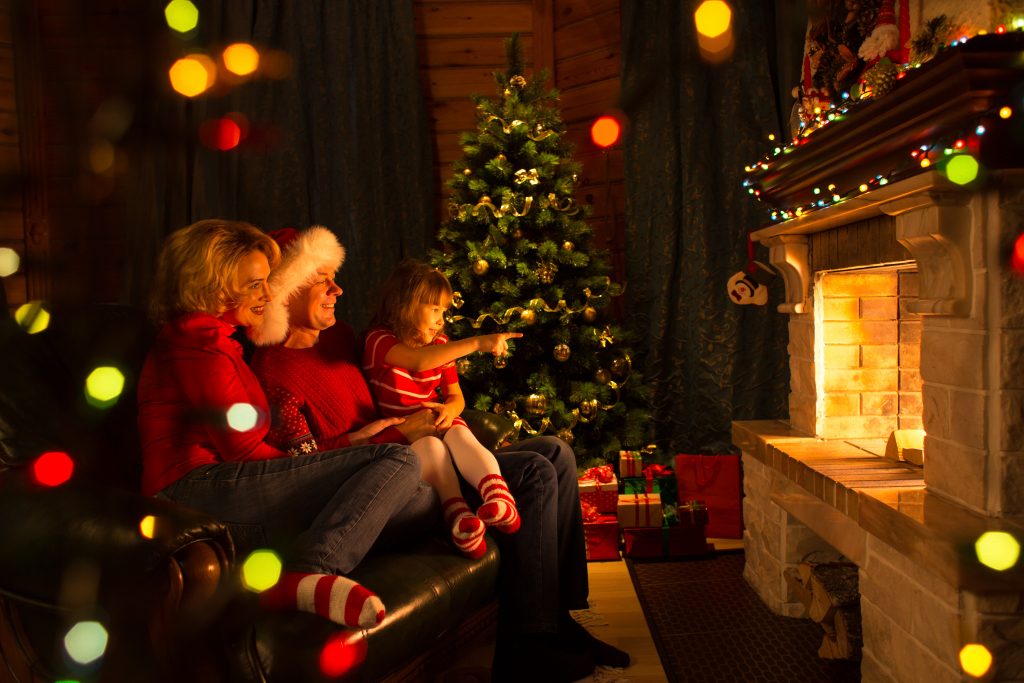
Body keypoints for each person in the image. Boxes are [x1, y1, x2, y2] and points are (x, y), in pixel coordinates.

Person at [250, 226, 630, 681]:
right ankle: (526, 643)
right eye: (324, 279)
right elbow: (305, 466)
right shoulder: (273, 370)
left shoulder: (339, 338)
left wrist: (435, 414)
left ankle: (559, 619)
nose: (338, 288)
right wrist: (393, 436)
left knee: (556, 452)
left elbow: (404, 383)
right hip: (394, 487)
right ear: (288, 289)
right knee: (533, 471)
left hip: (420, 454)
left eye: (336, 277)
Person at [137, 219, 436, 630]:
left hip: (229, 482)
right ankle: (308, 571)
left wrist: (348, 445)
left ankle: (314, 556)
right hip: (194, 491)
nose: (268, 293)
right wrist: (355, 452)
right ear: (215, 284)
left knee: (417, 500)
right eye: (256, 284)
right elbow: (244, 452)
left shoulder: (222, 338)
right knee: (398, 462)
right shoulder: (196, 343)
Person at [364, 260, 525, 559]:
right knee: (431, 450)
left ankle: (498, 496)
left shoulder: (441, 343)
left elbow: (455, 396)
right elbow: (419, 362)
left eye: (444, 311)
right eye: (434, 309)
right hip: (407, 434)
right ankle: (459, 517)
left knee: (460, 436)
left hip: (439, 420)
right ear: (405, 304)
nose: (441, 319)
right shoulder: (379, 341)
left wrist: (450, 410)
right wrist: (478, 342)